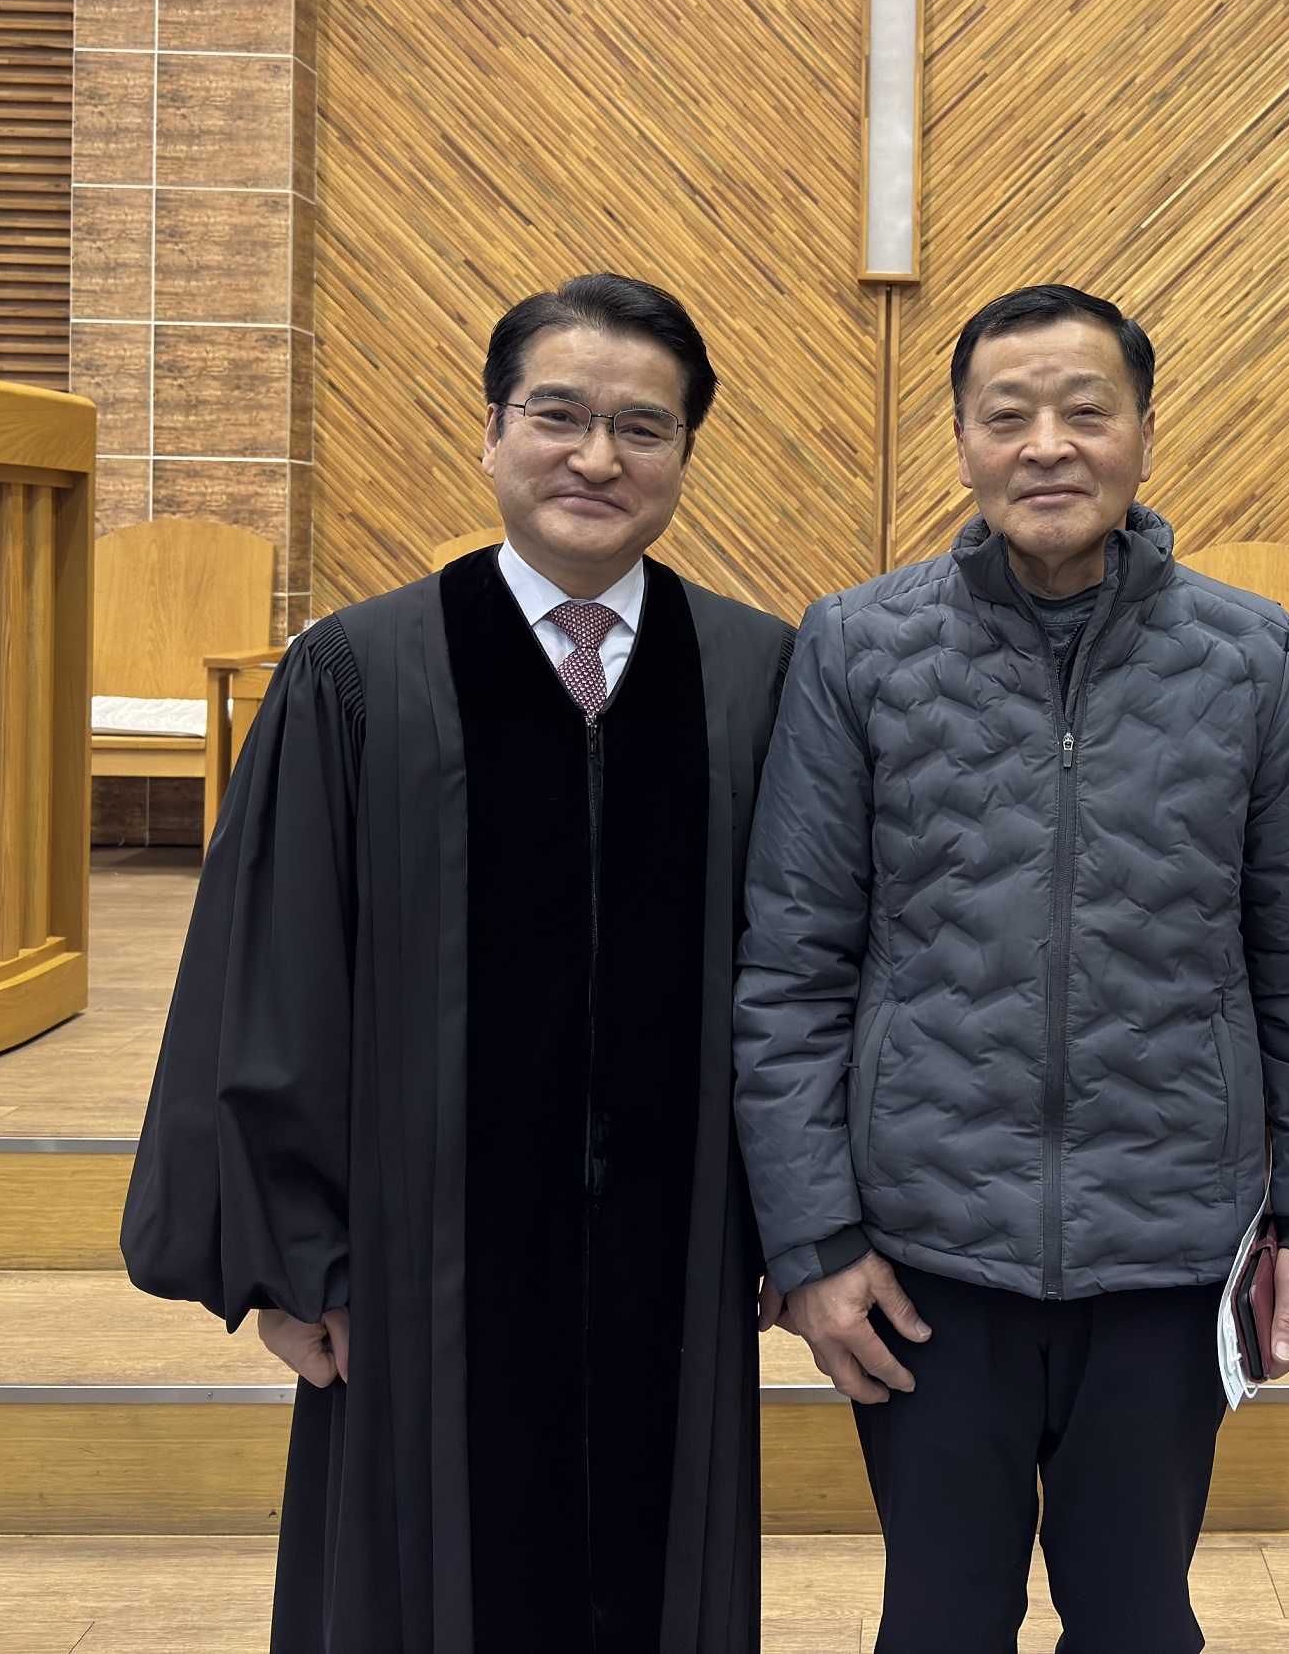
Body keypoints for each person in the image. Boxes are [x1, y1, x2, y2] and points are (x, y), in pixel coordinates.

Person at [122, 274, 795, 1653]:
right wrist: (295, 1257)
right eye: (558, 415)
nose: (597, 457)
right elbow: (274, 977)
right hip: (420, 1273)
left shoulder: (759, 678)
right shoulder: (359, 675)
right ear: (491, 432)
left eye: (642, 427)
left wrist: (800, 1221)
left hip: (678, 1261)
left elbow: (812, 975)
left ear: (685, 452)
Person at [733, 283, 1289, 1654]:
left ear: (1141, 431)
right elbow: (792, 970)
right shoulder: (857, 646)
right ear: (962, 440)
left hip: (1169, 1248)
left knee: (1140, 1621)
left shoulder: (1261, 659)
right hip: (922, 1253)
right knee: (938, 1622)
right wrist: (814, 1243)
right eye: (1007, 415)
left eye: (1086, 411)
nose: (1048, 445)